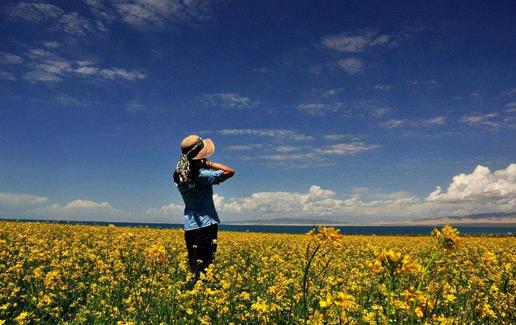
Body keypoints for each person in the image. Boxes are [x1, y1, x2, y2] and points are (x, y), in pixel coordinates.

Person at [173, 134, 234, 277]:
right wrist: (208, 163)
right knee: (206, 266)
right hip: (206, 227)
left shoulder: (179, 176)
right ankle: (200, 292)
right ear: (199, 156)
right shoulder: (202, 175)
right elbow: (230, 172)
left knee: (195, 265)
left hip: (190, 228)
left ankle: (193, 293)